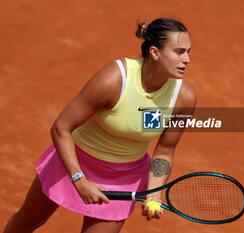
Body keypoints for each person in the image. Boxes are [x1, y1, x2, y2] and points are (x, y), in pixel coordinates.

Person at [3, 17, 196, 233]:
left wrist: (154, 193)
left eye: (188, 52)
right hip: (74, 162)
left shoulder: (183, 98)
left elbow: (165, 151)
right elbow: (61, 128)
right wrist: (79, 179)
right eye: (179, 52)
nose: (187, 59)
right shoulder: (114, 80)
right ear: (155, 53)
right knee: (24, 224)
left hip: (123, 178)